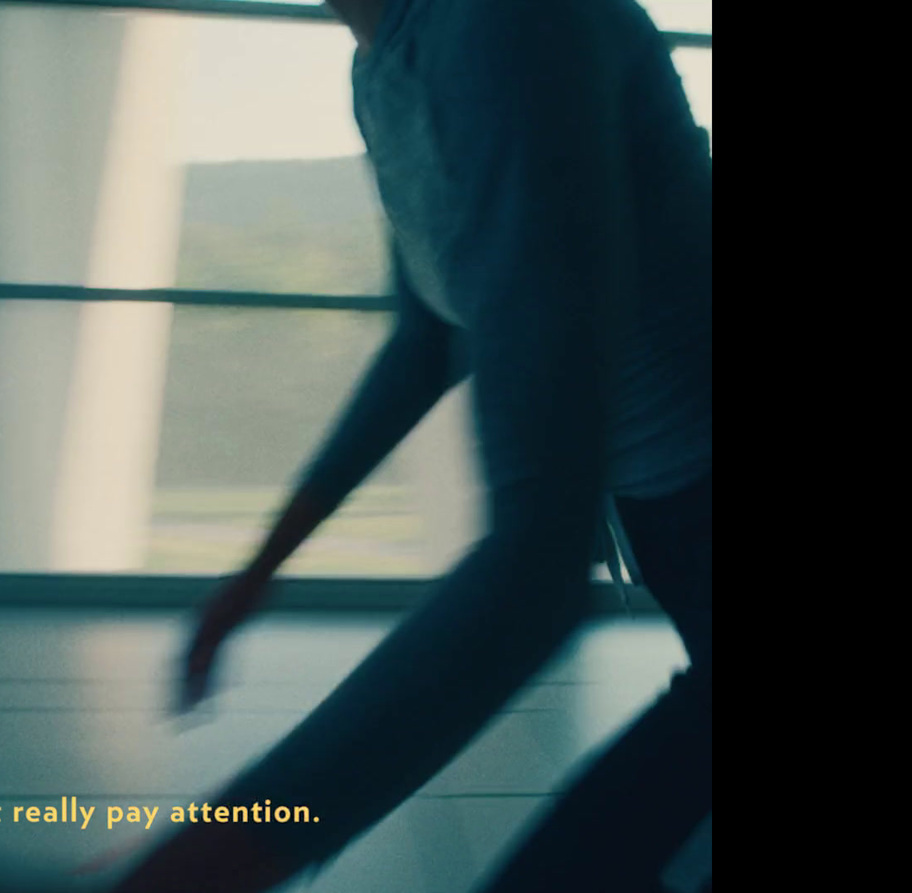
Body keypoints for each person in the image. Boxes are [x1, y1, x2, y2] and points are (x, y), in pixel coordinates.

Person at [111, 0, 711, 890]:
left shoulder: (510, 27)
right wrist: (260, 570)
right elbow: (429, 335)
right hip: (674, 499)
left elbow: (534, 576)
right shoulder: (386, 63)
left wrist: (232, 849)